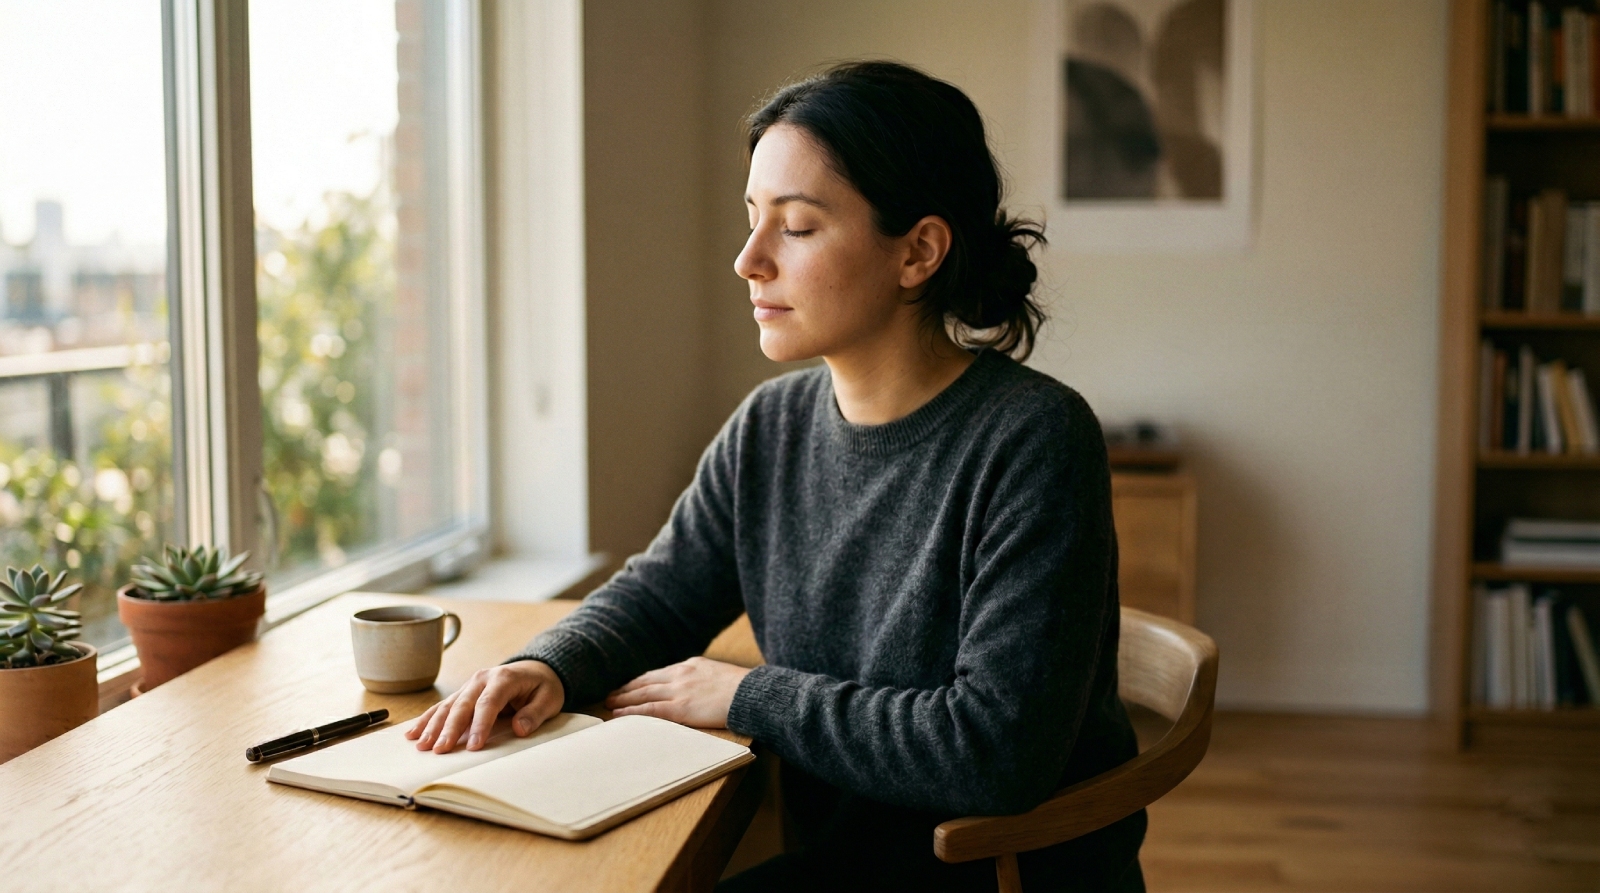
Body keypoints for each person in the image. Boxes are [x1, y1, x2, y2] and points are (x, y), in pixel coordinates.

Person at [406, 60, 1145, 892]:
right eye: (752, 219)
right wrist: (551, 665)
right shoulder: (771, 426)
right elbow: (662, 594)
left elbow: (994, 751)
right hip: (842, 862)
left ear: (919, 252)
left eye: (794, 227)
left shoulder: (1034, 440)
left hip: (994, 875)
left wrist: (751, 696)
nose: (748, 261)